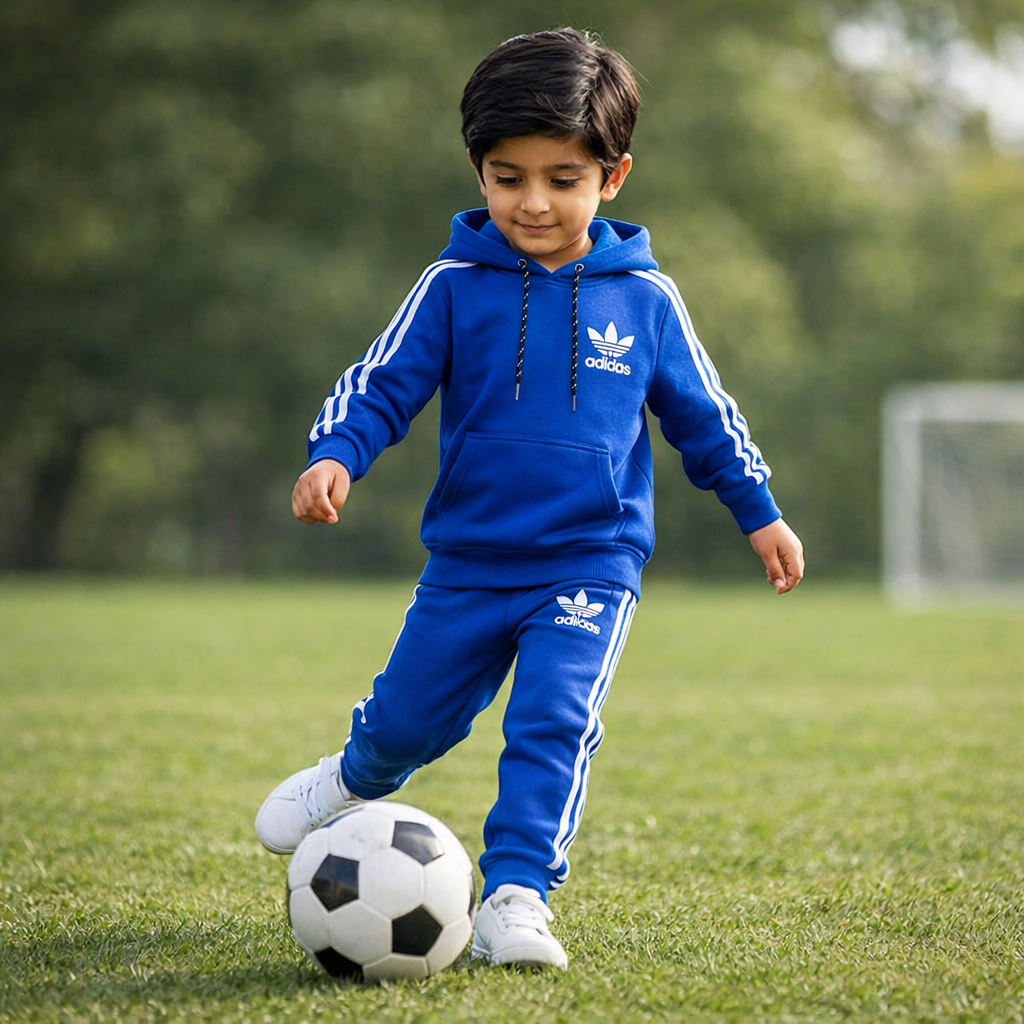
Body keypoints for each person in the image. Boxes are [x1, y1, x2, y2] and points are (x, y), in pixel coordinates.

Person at [256, 27, 804, 969]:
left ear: (612, 177)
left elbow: (707, 419)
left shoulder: (648, 301)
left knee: (553, 720)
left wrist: (760, 511)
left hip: (592, 558)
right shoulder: (452, 286)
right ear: (479, 172)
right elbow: (380, 385)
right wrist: (336, 454)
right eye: (508, 178)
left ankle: (516, 897)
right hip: (469, 560)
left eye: (563, 178)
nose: (534, 201)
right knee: (409, 723)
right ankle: (351, 776)